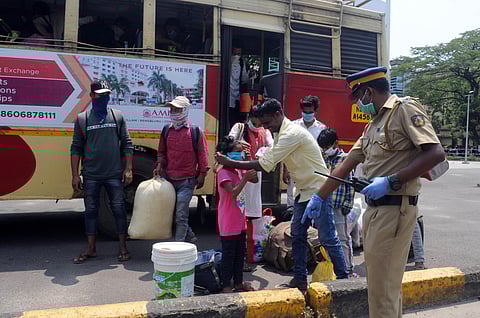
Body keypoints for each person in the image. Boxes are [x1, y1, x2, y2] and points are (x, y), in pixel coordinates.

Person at [308, 67, 445, 318]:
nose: (359, 104)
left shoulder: (403, 110)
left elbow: (435, 153)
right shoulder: (373, 125)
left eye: (359, 98)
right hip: (376, 210)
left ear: (369, 92)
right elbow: (347, 163)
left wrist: (391, 181)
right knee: (383, 288)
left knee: (382, 291)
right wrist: (320, 196)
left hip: (395, 208)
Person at [216, 98, 349, 291]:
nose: (266, 128)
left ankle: (345, 281)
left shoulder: (291, 133)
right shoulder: (280, 132)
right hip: (303, 191)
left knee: (328, 237)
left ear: (278, 115)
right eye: (264, 125)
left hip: (318, 190)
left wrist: (231, 162)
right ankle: (300, 279)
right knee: (297, 235)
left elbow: (264, 165)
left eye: (268, 123)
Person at [70, 80, 133, 264]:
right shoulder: (83, 119)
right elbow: (76, 149)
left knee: (119, 210)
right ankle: (91, 248)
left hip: (114, 174)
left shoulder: (117, 116)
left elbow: (127, 143)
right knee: (91, 211)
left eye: (106, 95)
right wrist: (75, 175)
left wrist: (128, 169)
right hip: (91, 175)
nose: (103, 98)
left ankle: (123, 247)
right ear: (91, 96)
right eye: (100, 95)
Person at [153, 96, 209, 243]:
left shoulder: (196, 132)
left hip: (187, 181)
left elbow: (202, 154)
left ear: (185, 111)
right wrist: (159, 166)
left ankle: (178, 246)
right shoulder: (166, 130)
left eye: (177, 109)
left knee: (180, 214)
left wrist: (202, 174)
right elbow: (161, 152)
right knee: (173, 213)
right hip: (169, 180)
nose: (173, 112)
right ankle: (189, 235)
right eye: (171, 109)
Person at [228, 104, 273, 271]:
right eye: (259, 118)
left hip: (255, 176)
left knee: (252, 215)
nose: (261, 122)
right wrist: (238, 146)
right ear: (251, 116)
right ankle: (238, 255)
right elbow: (227, 144)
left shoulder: (265, 131)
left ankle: (248, 254)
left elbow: (272, 146)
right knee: (239, 213)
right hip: (239, 173)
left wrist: (264, 152)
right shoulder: (239, 128)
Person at [216, 136, 257, 292]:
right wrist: (245, 178)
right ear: (226, 155)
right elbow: (232, 193)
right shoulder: (223, 172)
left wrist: (248, 161)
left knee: (240, 254)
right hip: (228, 220)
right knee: (229, 255)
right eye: (236, 152)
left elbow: (255, 179)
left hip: (240, 219)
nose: (239, 155)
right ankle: (226, 285)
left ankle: (238, 283)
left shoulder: (238, 169)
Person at [317, 128, 357, 277]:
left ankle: (348, 269)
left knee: (343, 238)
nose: (325, 150)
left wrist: (348, 204)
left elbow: (350, 183)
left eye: (327, 147)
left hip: (340, 206)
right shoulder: (323, 159)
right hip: (325, 205)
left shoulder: (345, 159)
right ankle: (332, 268)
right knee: (326, 239)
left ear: (336, 143)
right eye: (323, 147)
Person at [284, 96, 327, 209]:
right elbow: (287, 150)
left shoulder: (321, 128)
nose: (307, 114)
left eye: (310, 112)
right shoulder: (293, 126)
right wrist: (285, 170)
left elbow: (324, 152)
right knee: (292, 200)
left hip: (314, 172)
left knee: (311, 201)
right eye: (305, 111)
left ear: (315, 111)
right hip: (295, 169)